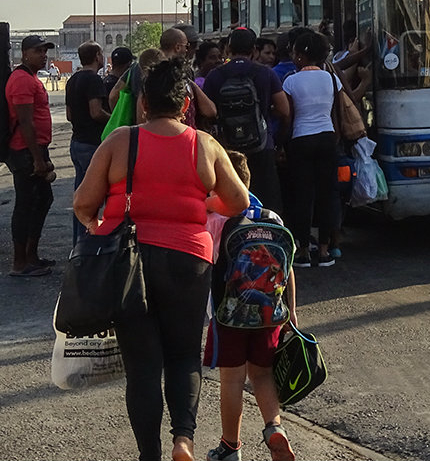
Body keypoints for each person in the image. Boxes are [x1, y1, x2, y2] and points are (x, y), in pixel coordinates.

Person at [73, 58, 250, 461]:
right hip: (189, 259)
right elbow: (238, 201)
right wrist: (201, 202)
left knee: (142, 365)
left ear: (144, 105)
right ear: (185, 106)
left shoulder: (120, 141)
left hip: (129, 264)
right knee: (185, 354)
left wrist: (101, 225)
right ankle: (183, 440)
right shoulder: (203, 145)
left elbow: (83, 203)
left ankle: (149, 455)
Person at [203, 152, 298, 461]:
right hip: (271, 313)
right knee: (263, 373)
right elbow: (289, 266)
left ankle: (230, 447)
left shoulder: (217, 220)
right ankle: (275, 428)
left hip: (229, 314)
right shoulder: (272, 219)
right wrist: (291, 310)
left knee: (232, 379)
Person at [203, 27, 290, 212]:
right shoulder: (266, 73)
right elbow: (284, 109)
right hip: (262, 145)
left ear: (228, 49)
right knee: (268, 202)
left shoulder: (215, 75)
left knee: (230, 202)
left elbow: (207, 113)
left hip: (228, 149)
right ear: (254, 50)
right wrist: (263, 115)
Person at [281, 31, 342, 267]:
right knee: (326, 194)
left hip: (301, 140)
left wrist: (282, 142)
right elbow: (337, 113)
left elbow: (289, 116)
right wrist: (336, 137)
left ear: (301, 55)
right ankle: (325, 251)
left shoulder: (290, 81)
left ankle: (304, 250)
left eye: (295, 52)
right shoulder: (331, 79)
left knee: (303, 196)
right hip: (327, 138)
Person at [5, 34, 56, 277]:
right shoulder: (22, 80)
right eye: (38, 51)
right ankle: (20, 262)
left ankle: (31, 255)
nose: (43, 55)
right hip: (25, 150)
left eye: (44, 51)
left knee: (42, 199)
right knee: (26, 203)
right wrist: (37, 158)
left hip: (34, 149)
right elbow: (25, 121)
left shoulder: (31, 78)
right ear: (25, 53)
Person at [65, 41, 110, 244]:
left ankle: (78, 243)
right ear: (97, 56)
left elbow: (68, 115)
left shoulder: (72, 80)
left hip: (77, 141)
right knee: (95, 198)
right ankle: (92, 244)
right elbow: (96, 112)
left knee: (81, 197)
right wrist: (116, 121)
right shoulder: (94, 80)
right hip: (92, 143)